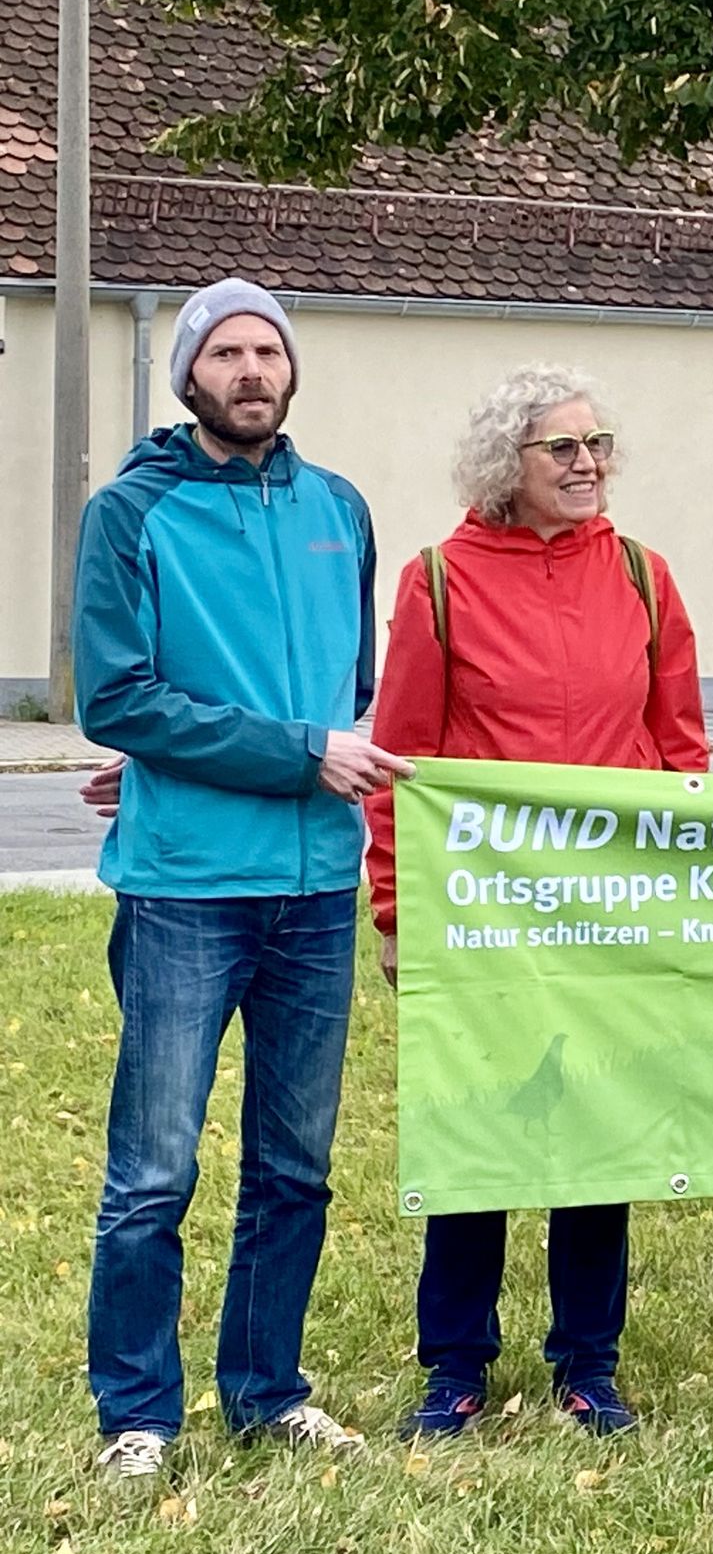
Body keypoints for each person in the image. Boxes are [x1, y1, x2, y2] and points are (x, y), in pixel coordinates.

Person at [72, 278, 409, 1480]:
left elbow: (343, 692)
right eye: (227, 352)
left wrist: (301, 751)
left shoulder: (340, 508)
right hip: (185, 890)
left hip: (316, 892)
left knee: (295, 1165)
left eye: (269, 350)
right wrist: (286, 756)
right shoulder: (131, 515)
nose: (253, 370)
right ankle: (138, 1417)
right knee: (154, 1168)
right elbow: (117, 698)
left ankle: (267, 1391)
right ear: (189, 378)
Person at [365, 365, 708, 1439]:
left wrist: (685, 887)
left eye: (598, 443)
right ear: (504, 464)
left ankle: (587, 1362)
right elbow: (401, 756)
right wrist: (393, 905)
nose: (587, 463)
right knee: (480, 1125)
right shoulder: (440, 582)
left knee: (596, 1128)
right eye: (561, 448)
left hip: (610, 916)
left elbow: (682, 753)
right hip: (483, 913)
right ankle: (456, 1363)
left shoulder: (646, 581)